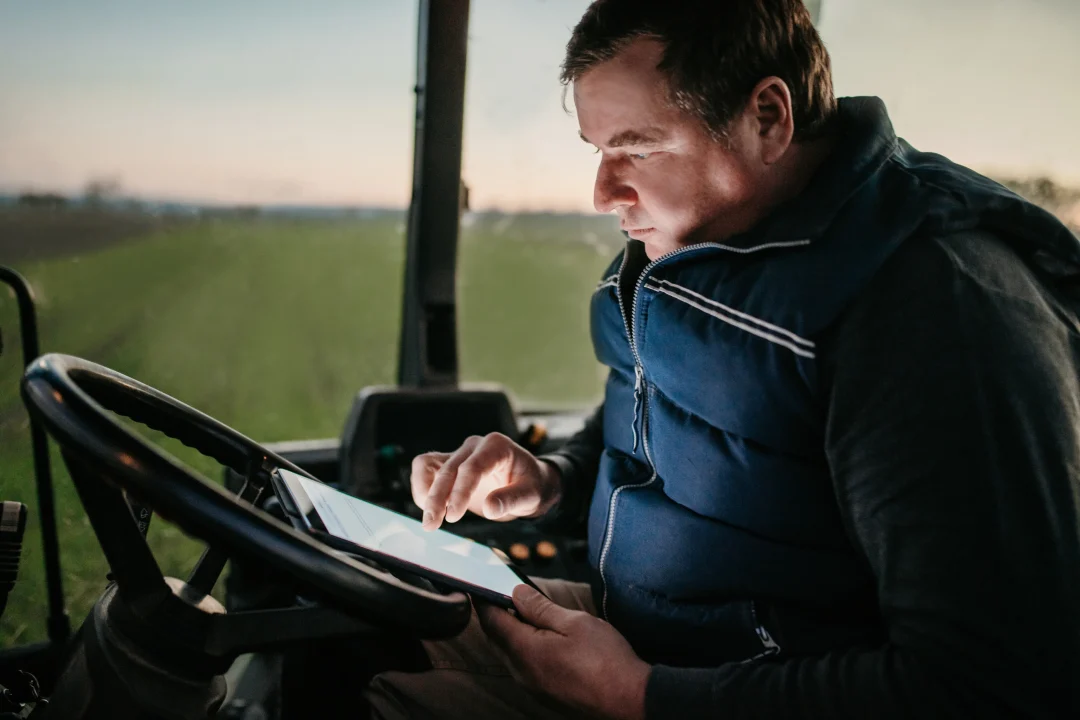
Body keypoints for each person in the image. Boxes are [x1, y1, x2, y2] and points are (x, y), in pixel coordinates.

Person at [366, 0, 1080, 717]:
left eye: (639, 148)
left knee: (383, 700)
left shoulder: (935, 308)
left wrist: (636, 694)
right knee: (365, 613)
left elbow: (985, 683)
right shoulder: (699, 237)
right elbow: (663, 434)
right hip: (647, 637)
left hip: (706, 688)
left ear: (767, 118)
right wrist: (551, 482)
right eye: (599, 151)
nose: (602, 194)